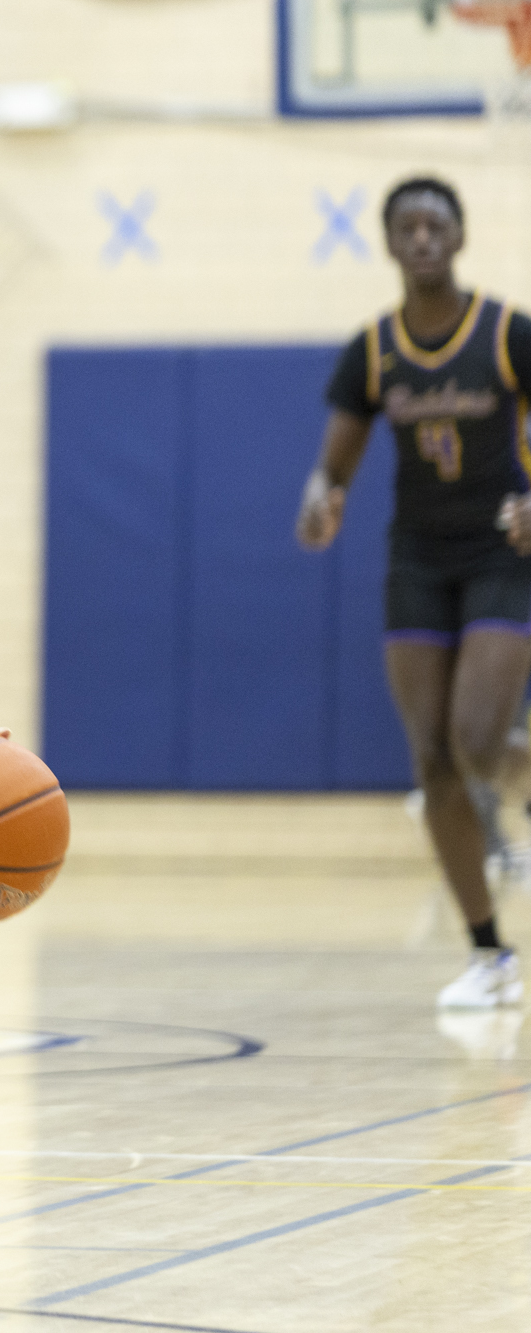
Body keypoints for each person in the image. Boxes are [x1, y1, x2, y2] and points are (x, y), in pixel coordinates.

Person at [299, 175, 529, 1010]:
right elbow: (336, 461)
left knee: (475, 738)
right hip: (418, 562)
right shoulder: (373, 349)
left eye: (436, 223)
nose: (423, 236)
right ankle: (489, 955)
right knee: (431, 758)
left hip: (503, 552)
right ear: (391, 244)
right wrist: (321, 496)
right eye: (408, 226)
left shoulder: (506, 332)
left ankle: (520, 771)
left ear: (460, 235)